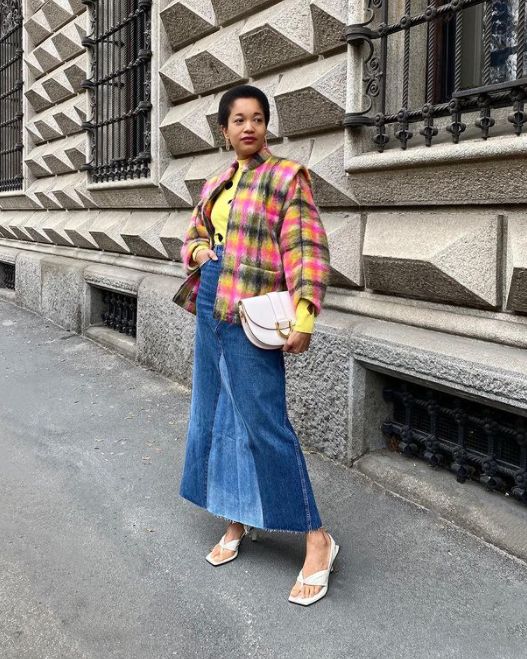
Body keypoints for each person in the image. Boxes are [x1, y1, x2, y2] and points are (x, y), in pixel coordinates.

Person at [172, 84, 338, 606]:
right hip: (210, 306)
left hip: (252, 311)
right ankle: (238, 516)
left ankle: (317, 538)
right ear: (223, 130)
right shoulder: (217, 181)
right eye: (238, 119)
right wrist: (201, 248)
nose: (249, 126)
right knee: (216, 413)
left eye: (258, 118)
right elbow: (192, 236)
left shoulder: (286, 177)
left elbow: (306, 248)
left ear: (267, 126)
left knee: (264, 422)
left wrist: (305, 316)